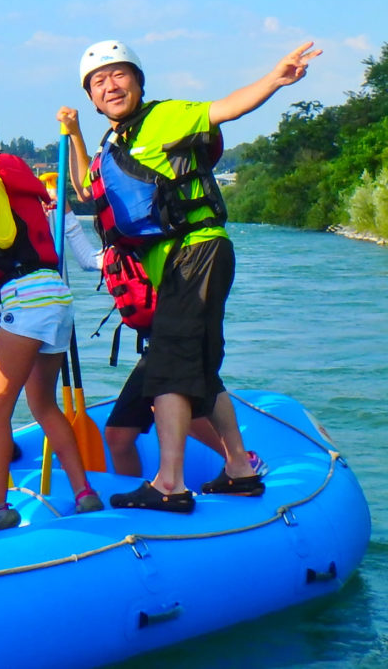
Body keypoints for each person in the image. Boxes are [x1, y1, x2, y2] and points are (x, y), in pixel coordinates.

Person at [59, 38, 320, 512]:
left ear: (138, 81)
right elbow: (86, 187)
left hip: (197, 250)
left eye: (119, 75)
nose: (110, 85)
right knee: (198, 367)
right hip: (178, 264)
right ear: (91, 97)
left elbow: (227, 108)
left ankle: (169, 485)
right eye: (98, 81)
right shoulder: (114, 143)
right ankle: (239, 469)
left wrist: (274, 80)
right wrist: (75, 135)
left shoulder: (167, 116)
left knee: (170, 372)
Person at [0, 103, 103, 532]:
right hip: (56, 296)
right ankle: (84, 492)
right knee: (42, 403)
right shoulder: (21, 179)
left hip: (25, 298)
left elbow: (5, 235)